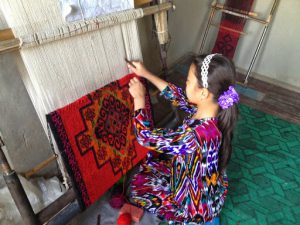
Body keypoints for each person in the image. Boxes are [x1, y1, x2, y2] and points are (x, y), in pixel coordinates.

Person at [126, 54, 239, 225]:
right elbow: (177, 96)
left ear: (203, 93)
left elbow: (145, 137)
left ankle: (191, 220)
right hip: (208, 191)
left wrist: (139, 98)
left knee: (139, 186)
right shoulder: (211, 110)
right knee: (153, 170)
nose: (185, 84)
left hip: (193, 206)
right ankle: (206, 214)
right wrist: (146, 73)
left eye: (188, 81)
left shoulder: (194, 136)